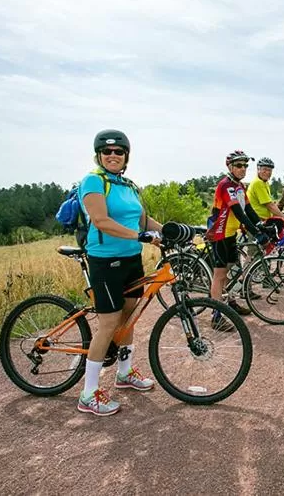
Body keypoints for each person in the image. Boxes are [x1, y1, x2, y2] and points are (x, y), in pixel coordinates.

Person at [77, 129, 163, 416]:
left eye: (119, 152)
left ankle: (124, 374)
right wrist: (139, 236)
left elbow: (143, 219)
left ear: (126, 156)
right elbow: (100, 221)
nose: (113, 156)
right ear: (99, 155)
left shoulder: (128, 185)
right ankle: (88, 394)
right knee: (109, 323)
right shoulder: (93, 181)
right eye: (107, 152)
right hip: (105, 261)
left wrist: (170, 231)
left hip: (130, 260)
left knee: (129, 317)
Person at [207, 150, 269, 323]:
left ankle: (229, 302)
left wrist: (261, 226)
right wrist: (257, 233)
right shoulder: (225, 185)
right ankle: (216, 315)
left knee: (230, 271)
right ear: (230, 166)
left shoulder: (240, 186)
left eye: (245, 165)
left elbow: (249, 210)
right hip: (219, 233)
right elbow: (239, 213)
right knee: (219, 274)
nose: (243, 169)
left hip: (231, 233)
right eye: (239, 165)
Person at [246, 157, 284, 226]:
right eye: (264, 169)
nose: (267, 172)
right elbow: (270, 205)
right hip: (257, 221)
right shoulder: (258, 183)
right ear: (258, 169)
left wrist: (279, 213)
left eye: (270, 170)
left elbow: (269, 202)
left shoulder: (265, 182)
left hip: (264, 220)